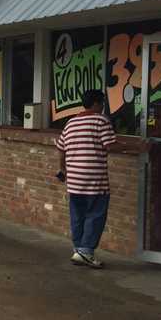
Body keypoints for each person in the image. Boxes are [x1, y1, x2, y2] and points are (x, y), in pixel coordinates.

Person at [55, 88, 116, 268]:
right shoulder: (101, 120)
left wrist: (63, 169)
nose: (103, 106)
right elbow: (111, 145)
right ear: (96, 103)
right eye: (102, 103)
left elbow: (61, 148)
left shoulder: (71, 122)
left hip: (74, 181)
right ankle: (86, 251)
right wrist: (139, 147)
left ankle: (78, 250)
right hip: (94, 181)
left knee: (78, 216)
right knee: (96, 215)